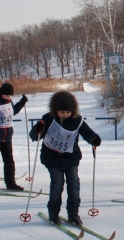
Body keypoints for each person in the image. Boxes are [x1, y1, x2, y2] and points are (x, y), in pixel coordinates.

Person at [30, 91, 101, 226]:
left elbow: (87, 132)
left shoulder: (77, 120)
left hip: (70, 157)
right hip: (52, 158)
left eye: (68, 112)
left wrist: (94, 139)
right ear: (55, 110)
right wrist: (37, 129)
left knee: (74, 183)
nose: (65, 115)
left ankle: (73, 213)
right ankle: (53, 213)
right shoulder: (48, 119)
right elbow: (35, 137)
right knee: (57, 184)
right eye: (62, 112)